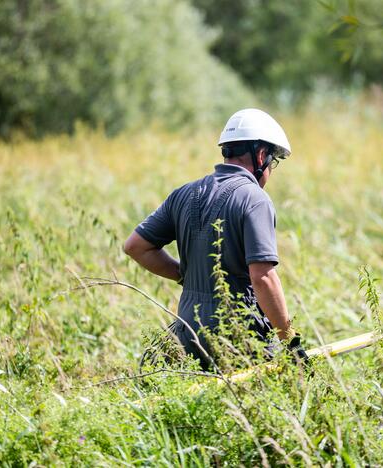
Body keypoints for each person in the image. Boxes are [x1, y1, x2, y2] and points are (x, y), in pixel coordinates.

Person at [123, 108, 307, 370]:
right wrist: (291, 343)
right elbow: (263, 277)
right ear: (261, 155)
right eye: (273, 161)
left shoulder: (184, 193)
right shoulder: (254, 199)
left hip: (188, 334)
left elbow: (135, 247)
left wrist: (186, 275)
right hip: (240, 336)